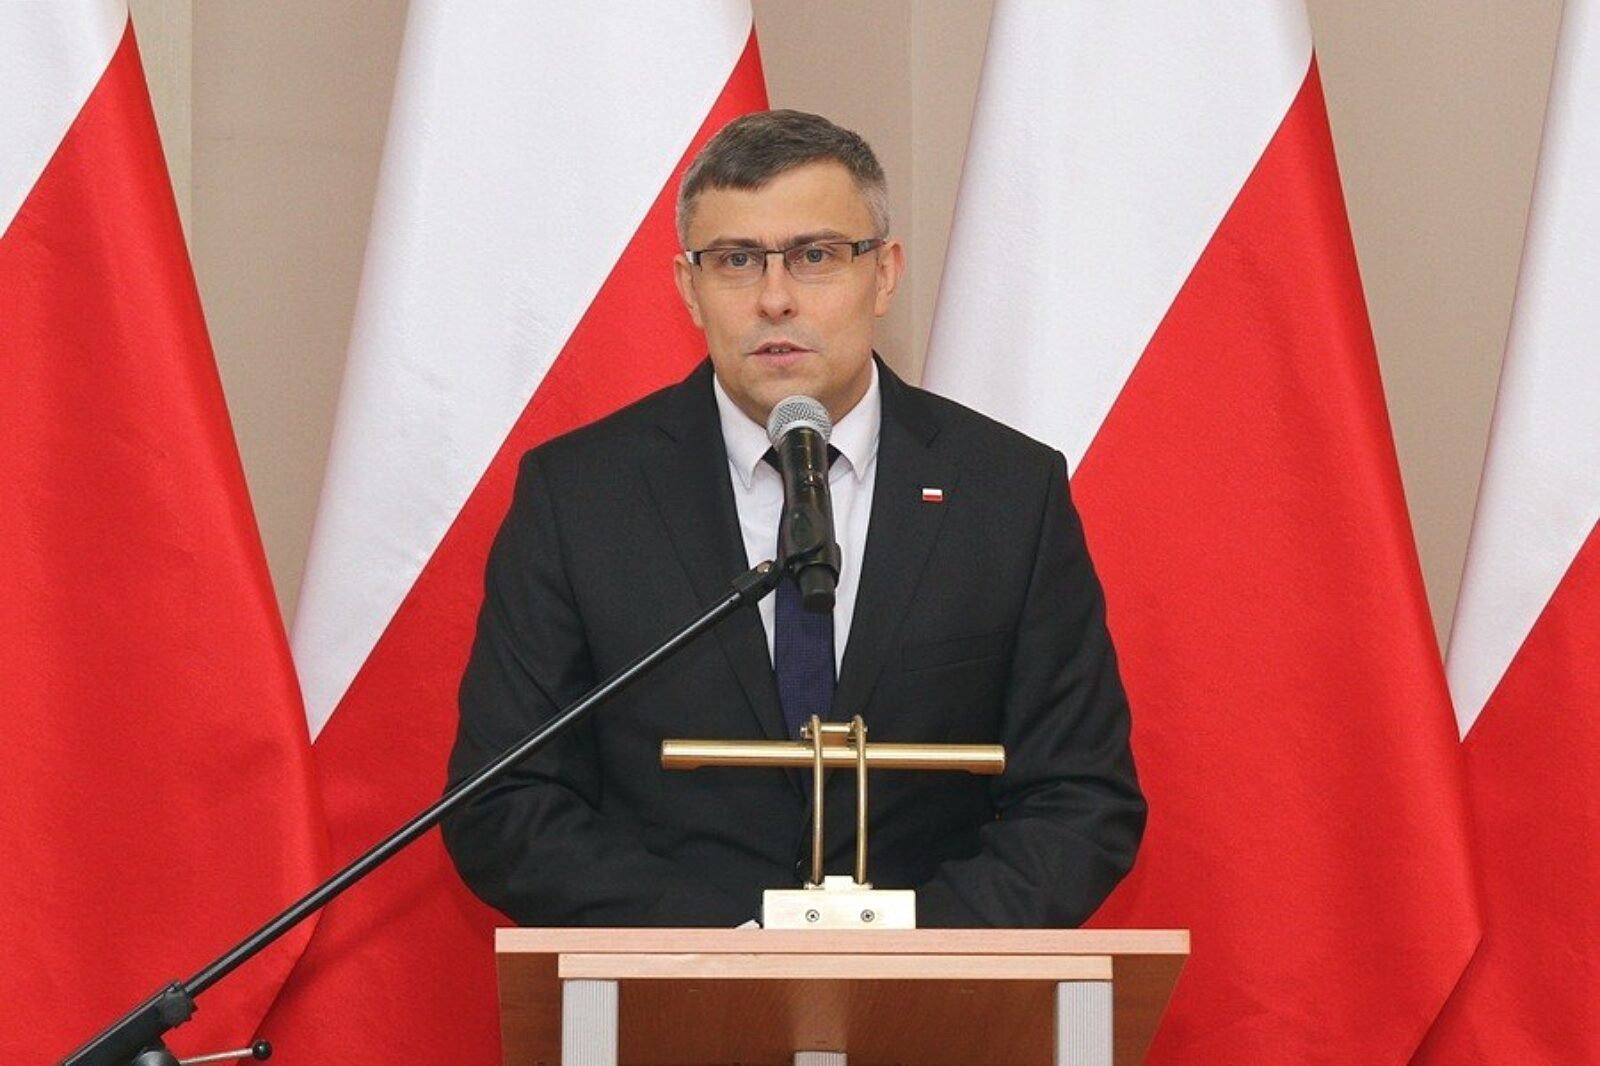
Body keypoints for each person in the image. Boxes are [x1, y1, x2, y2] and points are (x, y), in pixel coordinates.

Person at [441, 110, 1144, 927]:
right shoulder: (581, 495)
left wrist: (905, 951)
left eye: (815, 256)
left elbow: (1080, 799)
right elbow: (506, 800)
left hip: (934, 987)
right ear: (688, 288)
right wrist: (731, 946)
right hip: (671, 986)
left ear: (884, 274)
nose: (774, 299)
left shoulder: (1007, 492)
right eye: (736, 261)